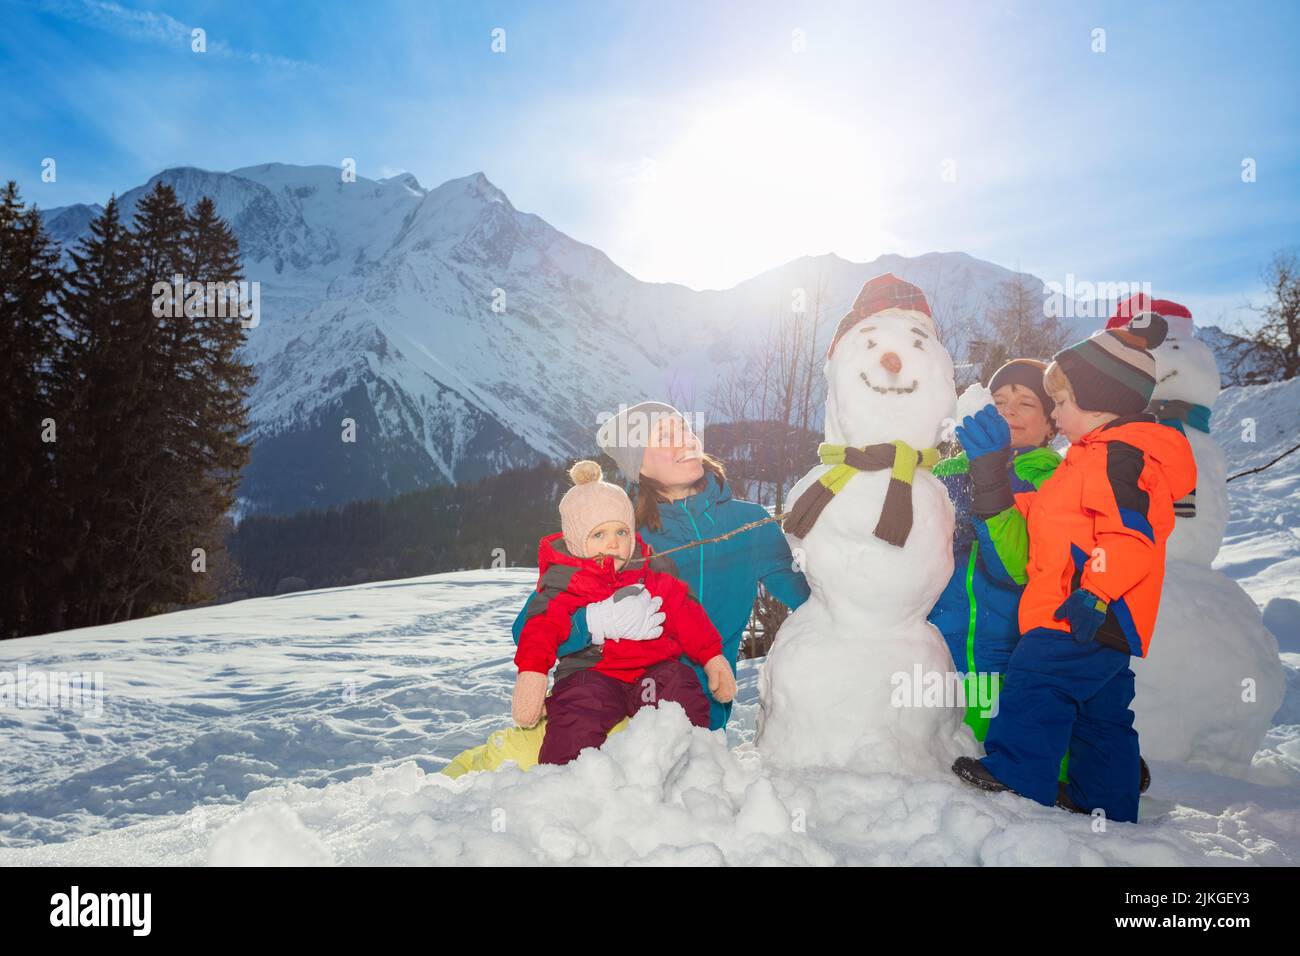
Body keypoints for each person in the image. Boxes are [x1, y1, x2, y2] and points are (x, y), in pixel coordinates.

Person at [440, 401, 809, 777]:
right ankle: (442, 792)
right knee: (533, 763)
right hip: (602, 700)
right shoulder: (619, 532)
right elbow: (531, 627)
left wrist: (838, 526)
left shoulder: (749, 524)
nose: (686, 441)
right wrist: (594, 622)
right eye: (666, 437)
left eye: (686, 429)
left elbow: (815, 601)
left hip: (693, 714)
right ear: (640, 466)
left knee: (664, 782)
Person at [951, 314, 1195, 822]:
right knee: (1102, 716)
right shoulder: (1089, 459)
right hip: (1107, 619)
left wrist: (1096, 590)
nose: (1055, 414)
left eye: (1058, 403)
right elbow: (1044, 522)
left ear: (1098, 400)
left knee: (1035, 682)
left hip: (1076, 608)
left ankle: (1018, 771)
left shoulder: (1115, 457)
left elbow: (1131, 534)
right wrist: (993, 487)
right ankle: (1106, 797)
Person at [512, 460, 736, 765]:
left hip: (650, 671)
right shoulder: (564, 580)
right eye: (599, 535)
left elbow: (685, 612)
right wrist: (533, 676)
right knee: (578, 710)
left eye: (621, 531)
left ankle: (698, 762)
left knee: (678, 686)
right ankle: (561, 780)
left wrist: (712, 656)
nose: (614, 543)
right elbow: (541, 629)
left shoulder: (652, 568)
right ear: (577, 541)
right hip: (592, 673)